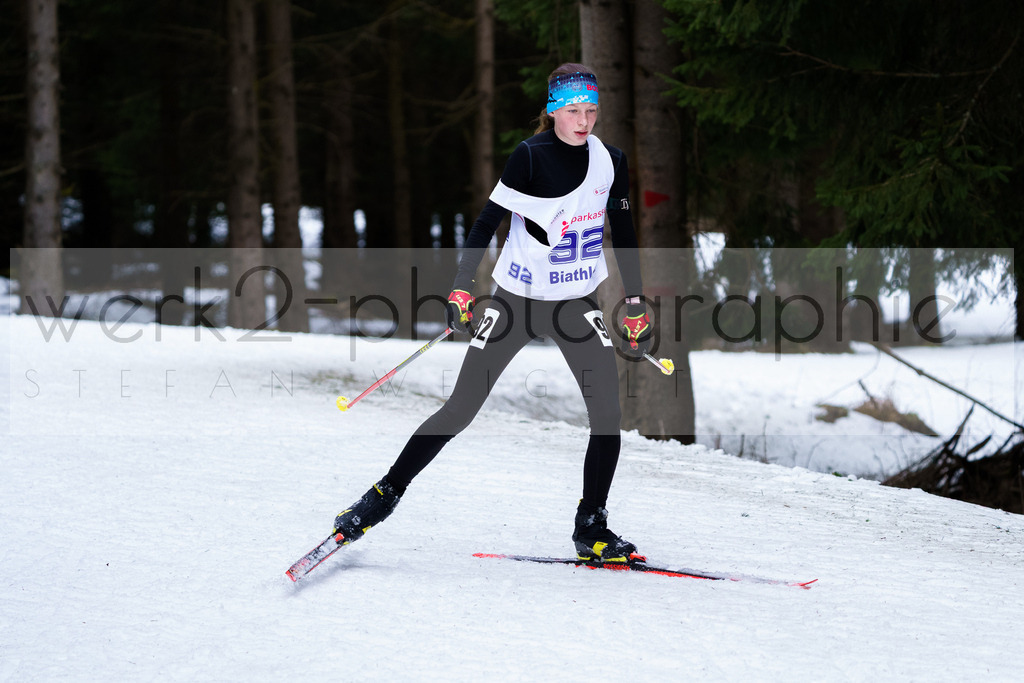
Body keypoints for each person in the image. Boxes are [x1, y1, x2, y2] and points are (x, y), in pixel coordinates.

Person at [333, 63, 652, 564]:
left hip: (574, 302)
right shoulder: (530, 156)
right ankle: (379, 499)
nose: (584, 120)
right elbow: (485, 224)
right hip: (516, 302)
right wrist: (461, 287)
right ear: (553, 110)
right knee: (460, 408)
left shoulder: (611, 160)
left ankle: (591, 526)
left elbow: (625, 232)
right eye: (573, 110)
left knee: (607, 414)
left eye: (591, 110)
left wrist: (633, 297)